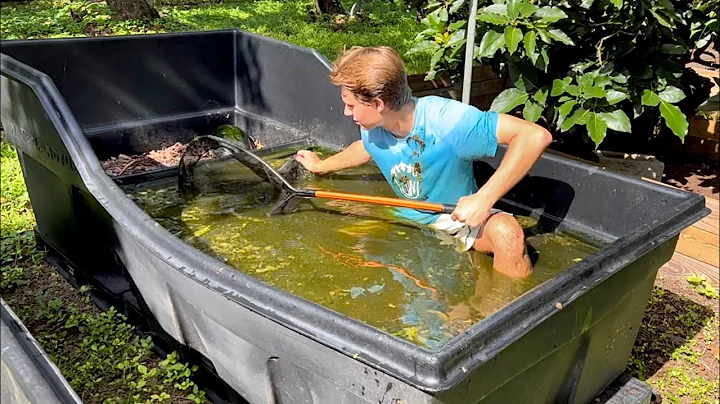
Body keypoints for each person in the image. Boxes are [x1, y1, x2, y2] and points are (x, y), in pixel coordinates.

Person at [294, 46, 552, 278]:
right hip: (401, 217)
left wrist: (484, 198)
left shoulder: (449, 122)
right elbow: (367, 149)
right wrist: (320, 166)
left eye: (350, 105)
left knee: (508, 234)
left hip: (457, 220)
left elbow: (534, 136)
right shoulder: (372, 126)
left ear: (378, 103)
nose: (346, 113)